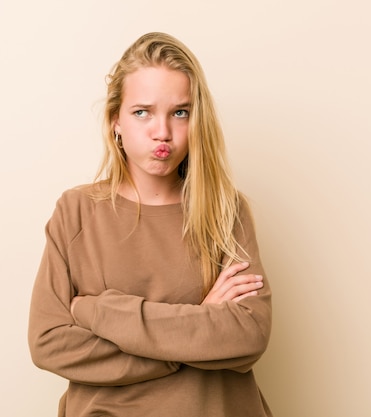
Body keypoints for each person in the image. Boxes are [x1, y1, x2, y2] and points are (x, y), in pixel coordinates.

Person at [28, 32, 273, 417]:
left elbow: (248, 335)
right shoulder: (76, 211)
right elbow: (50, 343)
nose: (162, 131)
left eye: (180, 112)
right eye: (142, 112)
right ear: (116, 123)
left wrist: (101, 312)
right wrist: (199, 324)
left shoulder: (227, 211)